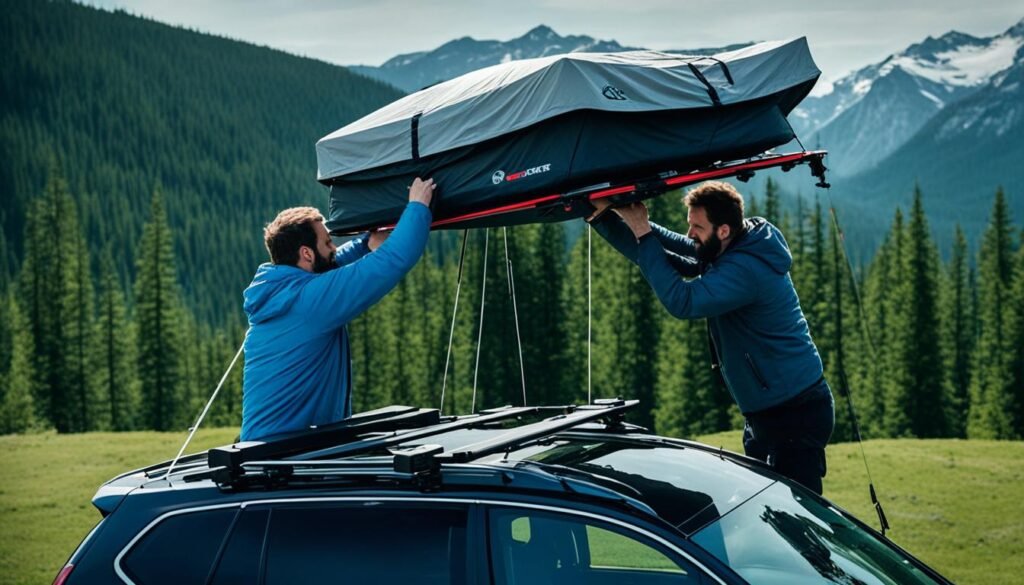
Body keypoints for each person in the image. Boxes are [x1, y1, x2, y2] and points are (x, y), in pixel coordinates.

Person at [588, 181, 835, 494]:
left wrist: (643, 230)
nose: (690, 233)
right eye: (690, 223)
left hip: (792, 415)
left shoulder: (745, 270)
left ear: (723, 230)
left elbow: (683, 301)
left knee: (797, 519)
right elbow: (677, 251)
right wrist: (607, 219)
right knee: (768, 512)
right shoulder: (735, 245)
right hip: (769, 410)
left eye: (697, 227)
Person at [239, 178, 436, 441]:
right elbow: (392, 261)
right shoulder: (310, 303)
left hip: (267, 451)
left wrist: (365, 245)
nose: (334, 248)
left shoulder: (280, 292)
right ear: (307, 254)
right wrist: (418, 206)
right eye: (328, 243)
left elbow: (332, 265)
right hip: (285, 460)